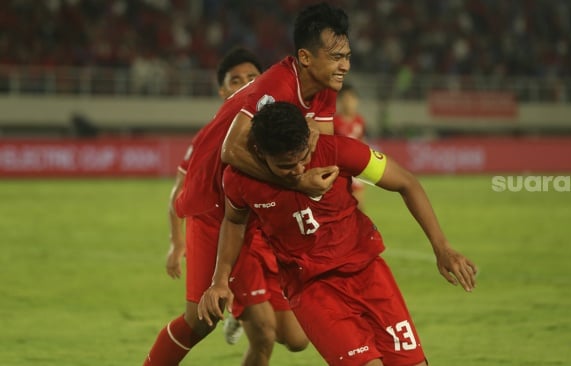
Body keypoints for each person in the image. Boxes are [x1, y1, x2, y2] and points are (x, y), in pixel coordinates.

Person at [145, 2, 352, 365]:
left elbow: (322, 147)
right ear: (306, 57)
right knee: (200, 321)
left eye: (347, 55)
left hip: (253, 202)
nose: (345, 65)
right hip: (214, 200)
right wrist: (298, 182)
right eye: (336, 57)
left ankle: (244, 307)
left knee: (296, 337)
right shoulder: (275, 86)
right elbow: (230, 151)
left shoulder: (324, 88)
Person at [197, 101, 478, 366]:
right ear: (259, 153)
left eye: (304, 158)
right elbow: (234, 222)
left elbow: (406, 182)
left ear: (309, 140)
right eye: (285, 166)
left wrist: (442, 247)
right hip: (312, 288)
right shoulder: (240, 180)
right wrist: (220, 280)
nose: (299, 170)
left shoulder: (337, 151)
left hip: (369, 274)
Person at [145, 47, 308, 366]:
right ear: (223, 90)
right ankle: (235, 304)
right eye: (236, 80)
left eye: (252, 78)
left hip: (264, 236)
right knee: (253, 332)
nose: (246, 84)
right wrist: (177, 242)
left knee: (297, 339)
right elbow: (181, 193)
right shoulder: (213, 135)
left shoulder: (276, 130)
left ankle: (237, 308)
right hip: (228, 229)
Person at [333, 83, 366, 209]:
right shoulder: (335, 122)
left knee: (359, 205)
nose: (349, 103)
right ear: (340, 101)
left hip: (356, 167)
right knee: (340, 204)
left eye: (352, 99)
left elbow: (362, 141)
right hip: (340, 169)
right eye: (346, 99)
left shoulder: (360, 121)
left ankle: (359, 228)